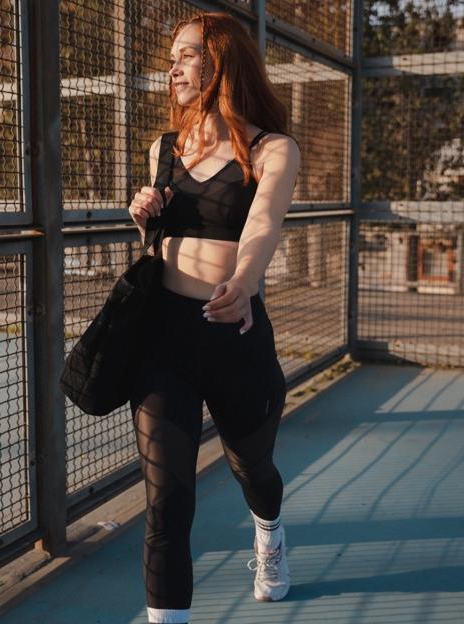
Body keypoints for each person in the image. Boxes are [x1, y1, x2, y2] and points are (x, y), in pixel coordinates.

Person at [127, 11, 301, 624]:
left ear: (222, 60)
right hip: (163, 338)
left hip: (235, 332)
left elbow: (262, 226)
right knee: (166, 500)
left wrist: (245, 281)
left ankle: (270, 531)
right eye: (172, 56)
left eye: (187, 54)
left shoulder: (272, 149)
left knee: (252, 467)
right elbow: (162, 239)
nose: (173, 67)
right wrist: (146, 212)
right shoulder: (164, 148)